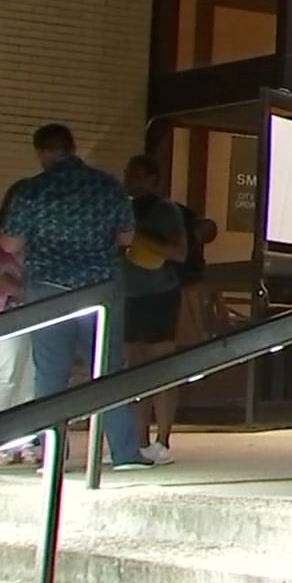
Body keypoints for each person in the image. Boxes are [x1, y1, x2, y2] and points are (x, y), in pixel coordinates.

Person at [0, 124, 155, 472]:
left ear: (43, 152)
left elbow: (11, 244)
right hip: (100, 287)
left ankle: (54, 454)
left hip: (47, 289)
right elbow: (127, 236)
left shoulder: (32, 190)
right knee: (107, 371)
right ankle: (124, 452)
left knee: (51, 374)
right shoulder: (107, 185)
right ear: (72, 148)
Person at [122, 155, 187, 463]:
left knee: (162, 366)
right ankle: (137, 438)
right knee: (134, 368)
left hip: (160, 292)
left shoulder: (165, 210)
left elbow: (179, 252)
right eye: (128, 175)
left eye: (136, 176)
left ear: (152, 179)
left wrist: (141, 239)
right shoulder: (123, 208)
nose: (129, 182)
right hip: (129, 293)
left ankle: (163, 438)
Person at [0, 178, 39, 464]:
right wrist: (32, 292)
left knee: (31, 376)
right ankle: (0, 442)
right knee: (7, 374)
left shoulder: (41, 237)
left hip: (41, 312)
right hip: (9, 313)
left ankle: (26, 440)